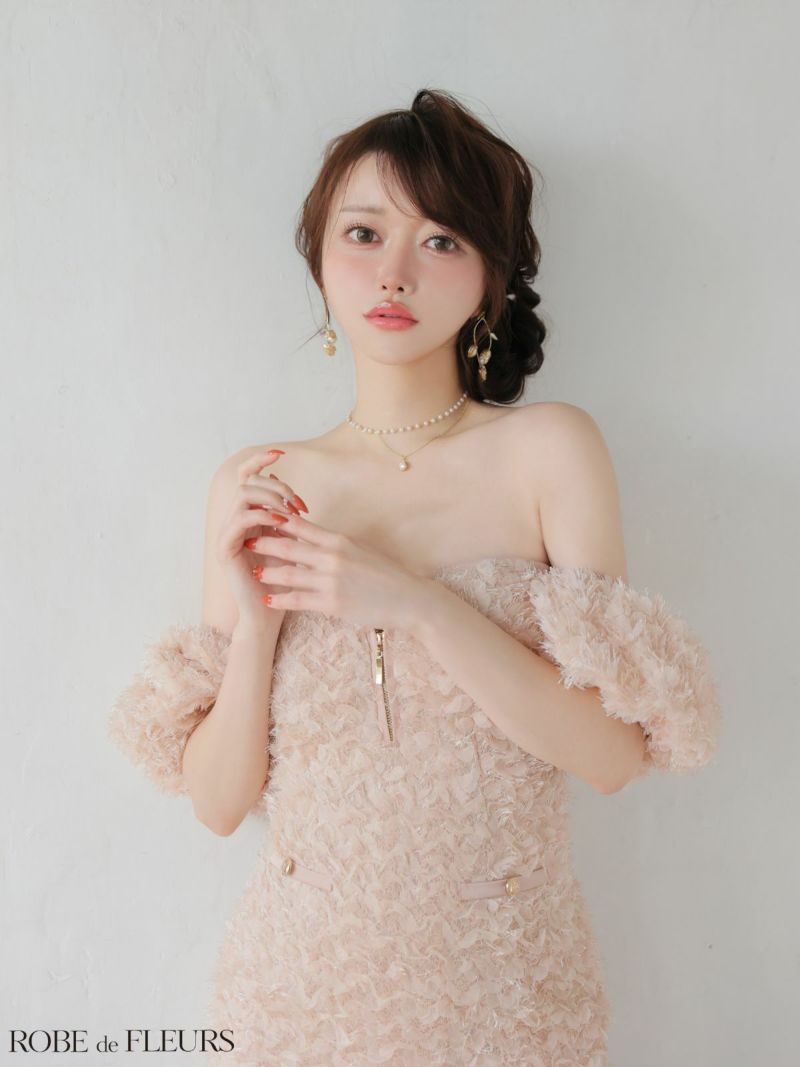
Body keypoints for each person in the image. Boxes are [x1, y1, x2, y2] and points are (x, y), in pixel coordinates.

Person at [108, 88, 721, 1066]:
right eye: (363, 233)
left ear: (488, 278)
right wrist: (258, 628)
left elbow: (611, 756)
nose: (394, 270)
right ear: (319, 256)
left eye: (440, 239)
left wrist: (415, 604)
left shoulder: (547, 449)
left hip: (510, 1000)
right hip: (295, 999)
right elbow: (219, 804)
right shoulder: (257, 481)